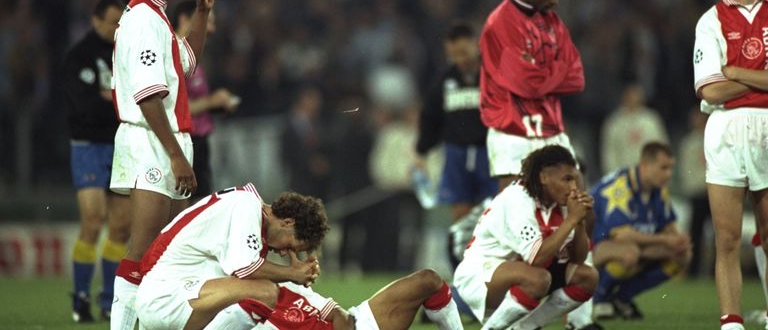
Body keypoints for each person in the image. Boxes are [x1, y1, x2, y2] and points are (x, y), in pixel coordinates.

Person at [109, 0, 220, 330]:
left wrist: (203, 13)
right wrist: (175, 155)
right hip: (151, 141)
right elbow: (147, 96)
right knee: (143, 250)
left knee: (164, 251)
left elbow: (185, 63)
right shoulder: (141, 20)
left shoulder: (153, 16)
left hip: (164, 140)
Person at [692, 0, 768, 330]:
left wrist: (737, 70)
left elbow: (725, 79)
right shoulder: (711, 20)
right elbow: (709, 87)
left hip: (767, 124)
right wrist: (759, 78)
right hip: (725, 129)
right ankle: (732, 322)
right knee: (726, 238)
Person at [136, 186, 326, 330]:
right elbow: (246, 268)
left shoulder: (249, 214)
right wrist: (293, 273)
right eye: (290, 246)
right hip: (165, 297)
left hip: (184, 298)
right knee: (264, 292)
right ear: (288, 222)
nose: (285, 253)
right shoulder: (247, 205)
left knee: (263, 295)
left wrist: (299, 277)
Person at [453, 145, 597, 330]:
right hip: (481, 272)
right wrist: (570, 220)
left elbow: (578, 258)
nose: (573, 188)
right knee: (538, 278)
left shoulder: (559, 200)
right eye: (567, 179)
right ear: (544, 177)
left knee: (587, 276)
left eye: (575, 180)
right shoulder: (517, 199)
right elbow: (537, 258)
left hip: (521, 269)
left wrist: (579, 223)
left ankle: (525, 327)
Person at [478, 0, 585, 191]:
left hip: (550, 127)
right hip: (513, 129)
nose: (555, 1)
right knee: (514, 207)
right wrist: (559, 68)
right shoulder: (500, 23)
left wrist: (539, 71)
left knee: (579, 199)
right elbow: (526, 85)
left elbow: (577, 78)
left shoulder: (553, 22)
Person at [64, 0, 129, 322]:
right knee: (93, 221)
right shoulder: (79, 57)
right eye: (112, 21)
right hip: (88, 145)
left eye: (121, 22)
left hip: (119, 145)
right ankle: (79, 298)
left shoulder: (124, 52)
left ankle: (108, 302)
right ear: (95, 20)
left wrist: (108, 99)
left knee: (120, 227)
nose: (117, 27)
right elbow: (83, 105)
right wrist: (113, 101)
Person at [589, 142, 691, 321]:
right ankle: (599, 299)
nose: (668, 174)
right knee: (629, 253)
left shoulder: (659, 191)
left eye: (671, 168)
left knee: (681, 255)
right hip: (590, 250)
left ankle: (621, 298)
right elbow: (621, 234)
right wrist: (665, 241)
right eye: (663, 168)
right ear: (645, 165)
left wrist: (679, 240)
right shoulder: (619, 188)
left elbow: (669, 225)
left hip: (631, 247)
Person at [413, 22, 496, 225]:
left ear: (476, 44)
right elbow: (430, 117)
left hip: (490, 152)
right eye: (453, 55)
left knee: (492, 211)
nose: (459, 60)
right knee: (460, 213)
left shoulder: (495, 75)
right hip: (456, 154)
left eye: (463, 52)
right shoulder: (444, 80)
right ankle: (463, 255)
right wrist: (421, 151)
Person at [206, 270, 463, 330]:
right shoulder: (235, 312)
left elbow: (340, 317)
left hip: (357, 324)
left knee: (428, 280)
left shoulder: (280, 288)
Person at [173, 0, 239, 202]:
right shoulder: (172, 52)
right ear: (185, 19)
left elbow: (193, 102)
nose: (212, 28)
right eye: (207, 21)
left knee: (197, 210)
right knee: (183, 213)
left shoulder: (192, 55)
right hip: (183, 143)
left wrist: (217, 106)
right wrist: (212, 101)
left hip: (198, 142)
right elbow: (173, 106)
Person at [600, 83, 669, 174]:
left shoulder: (651, 119)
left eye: (636, 95)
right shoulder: (614, 123)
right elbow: (609, 153)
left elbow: (662, 145)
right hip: (623, 175)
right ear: (624, 97)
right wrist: (614, 174)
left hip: (650, 174)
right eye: (629, 96)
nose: (633, 99)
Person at [677, 108, 709, 277]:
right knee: (696, 234)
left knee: (722, 234)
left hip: (715, 191)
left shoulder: (714, 137)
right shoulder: (688, 143)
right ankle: (694, 271)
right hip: (698, 193)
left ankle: (714, 271)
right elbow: (686, 169)